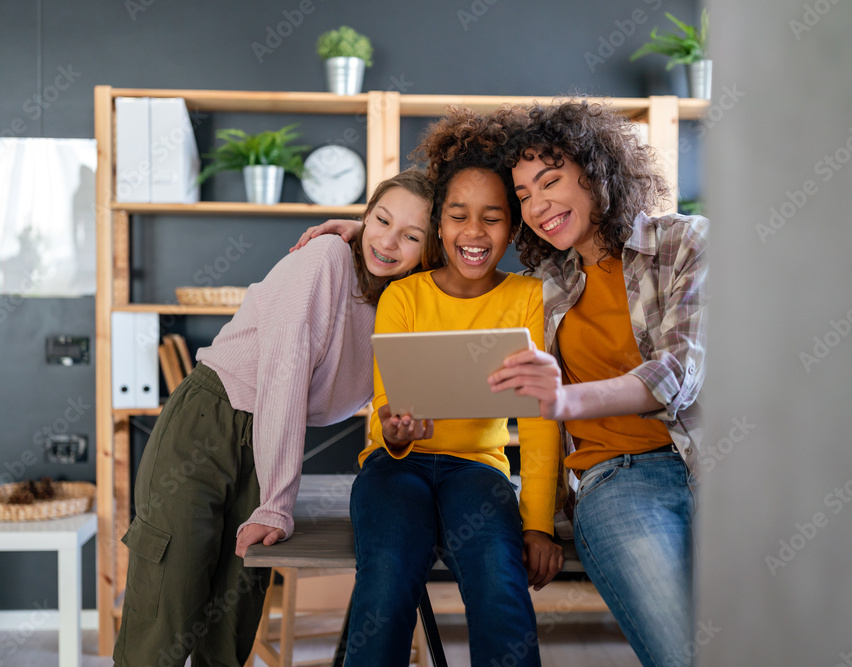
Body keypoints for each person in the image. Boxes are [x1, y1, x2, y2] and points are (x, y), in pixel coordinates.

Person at [112, 169, 440, 667]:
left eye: (411, 235)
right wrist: (276, 504)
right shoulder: (325, 259)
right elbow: (283, 378)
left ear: (429, 249)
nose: (389, 241)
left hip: (268, 439)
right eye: (381, 219)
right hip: (210, 419)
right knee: (165, 609)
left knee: (232, 620)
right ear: (365, 215)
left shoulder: (403, 302)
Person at [487, 101, 707, 667]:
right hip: (620, 481)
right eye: (523, 196)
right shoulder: (542, 285)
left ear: (598, 171)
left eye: (551, 181)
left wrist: (566, 398)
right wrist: (367, 236)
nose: (536, 206)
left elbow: (678, 371)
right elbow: (455, 245)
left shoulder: (684, 243)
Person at [343, 110, 562, 667]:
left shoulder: (529, 299)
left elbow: (540, 420)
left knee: (499, 584)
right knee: (387, 579)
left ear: (513, 228)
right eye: (458, 216)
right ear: (439, 224)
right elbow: (383, 411)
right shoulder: (405, 298)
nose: (473, 232)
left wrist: (538, 523)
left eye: (491, 218)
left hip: (478, 470)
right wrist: (394, 431)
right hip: (397, 468)